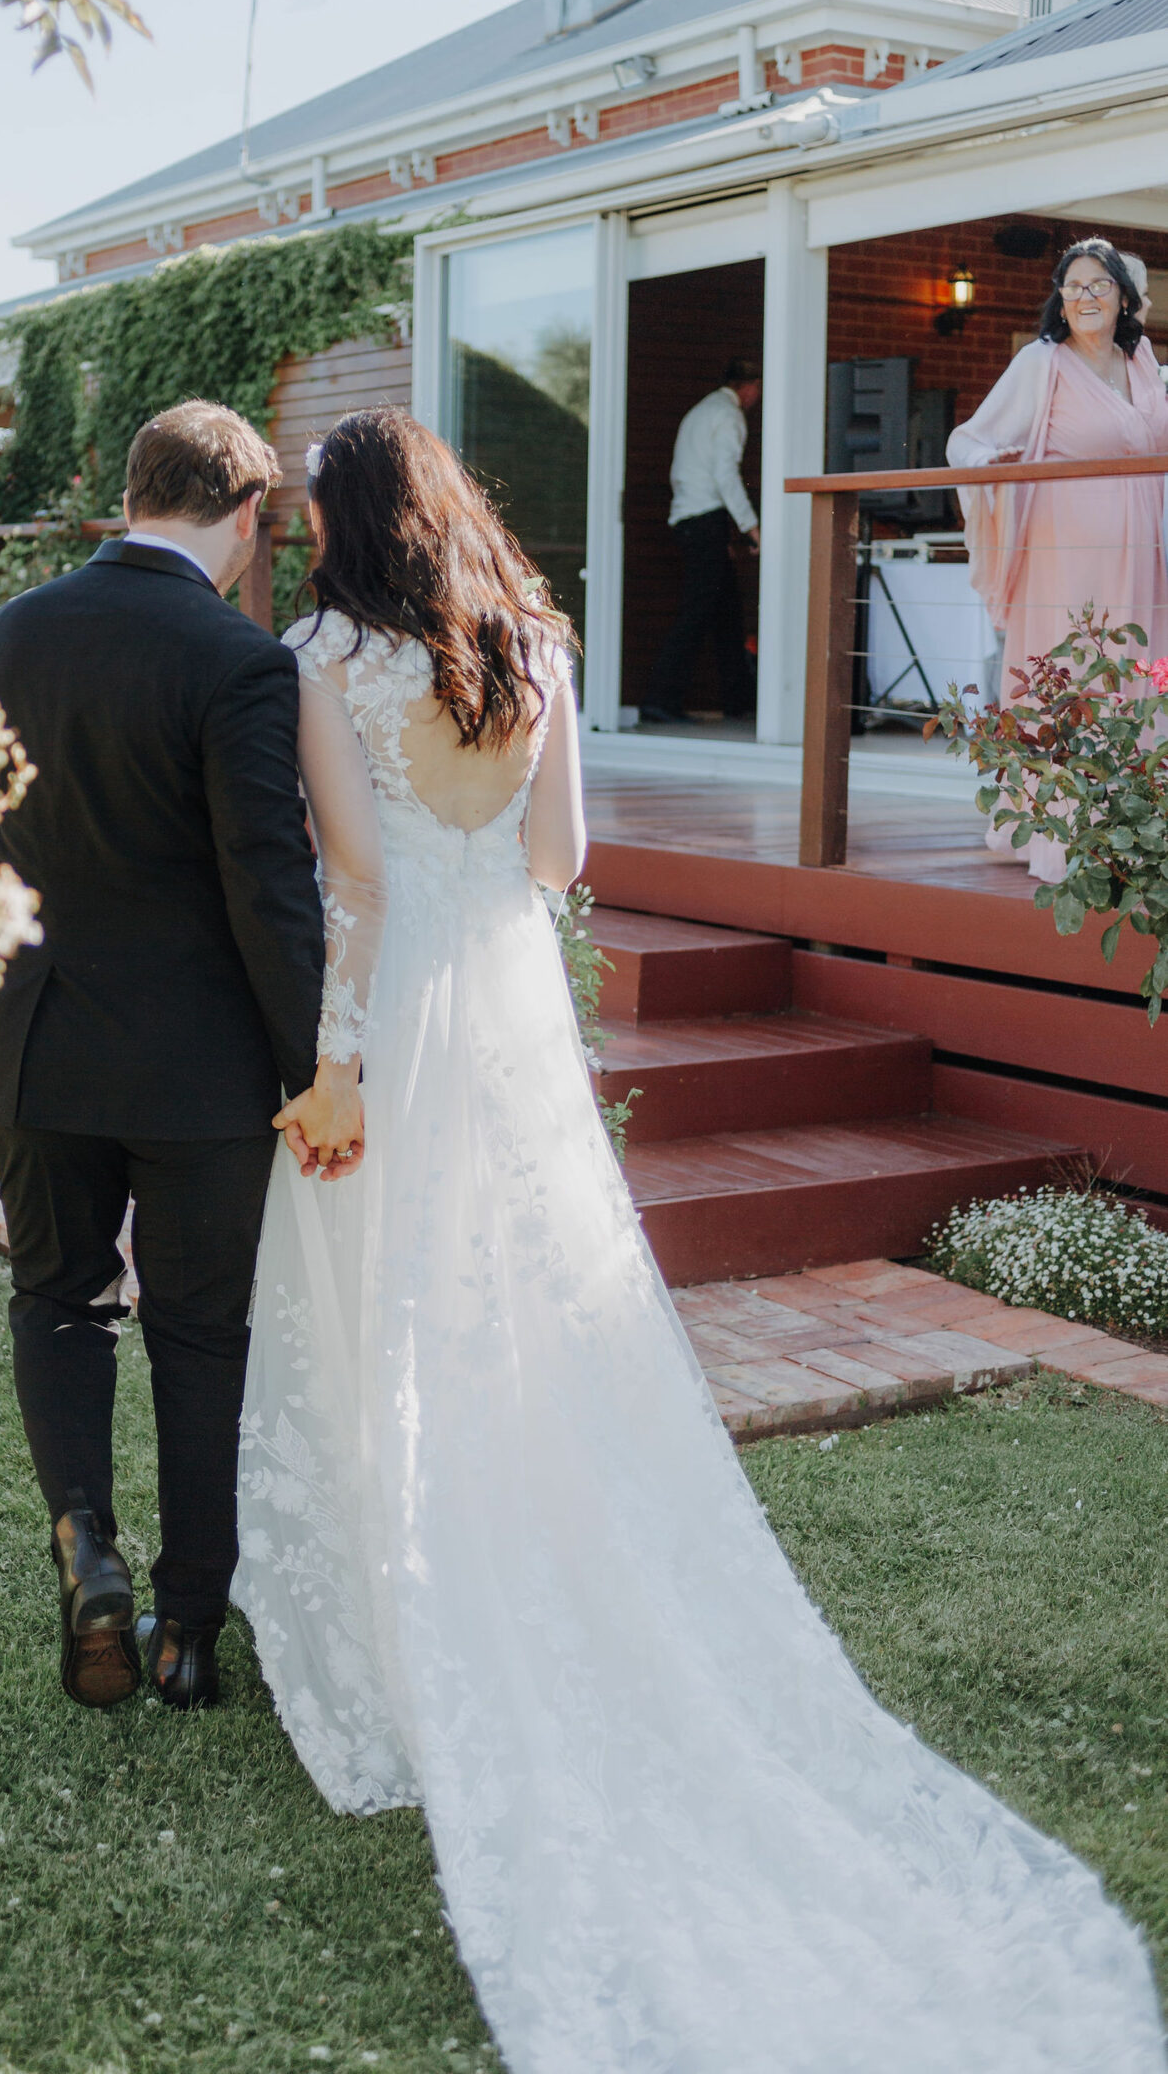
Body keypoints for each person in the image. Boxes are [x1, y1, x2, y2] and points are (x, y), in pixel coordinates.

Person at [236, 405, 1166, 2074]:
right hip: (515, 1014)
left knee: (386, 1308)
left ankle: (408, 1632)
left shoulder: (315, 656)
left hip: (398, 1018)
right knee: (529, 1308)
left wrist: (331, 1057)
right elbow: (560, 858)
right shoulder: (530, 641)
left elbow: (356, 882)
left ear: (338, 525)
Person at [0, 400, 326, 1712]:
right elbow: (265, 883)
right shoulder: (235, 657)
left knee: (57, 1302)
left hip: (35, 1041)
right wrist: (305, 1062)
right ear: (242, 515)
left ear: (132, 494)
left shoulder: (11, 630)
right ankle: (183, 1633)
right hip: (195, 1073)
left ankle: (83, 1549)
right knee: (196, 1340)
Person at [948, 239, 1168, 881]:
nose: (1085, 297)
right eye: (1073, 287)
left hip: (1144, 547)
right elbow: (971, 439)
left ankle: (1140, 820)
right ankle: (1060, 830)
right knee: (1077, 671)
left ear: (1125, 296)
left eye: (1098, 285)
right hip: (1067, 551)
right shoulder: (1041, 363)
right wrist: (993, 468)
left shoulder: (1143, 358)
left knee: (1142, 668)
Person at [639, 362, 761, 723]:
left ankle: (738, 702)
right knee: (698, 614)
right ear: (750, 386)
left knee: (726, 614)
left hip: (694, 520)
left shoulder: (701, 411)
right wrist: (751, 528)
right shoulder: (729, 416)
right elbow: (725, 474)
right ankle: (660, 700)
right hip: (706, 520)